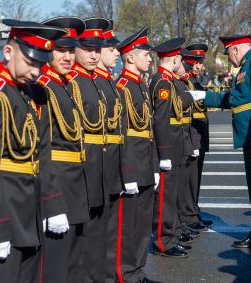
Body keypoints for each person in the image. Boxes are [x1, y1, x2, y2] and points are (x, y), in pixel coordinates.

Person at [0, 19, 66, 282]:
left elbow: (42, 154)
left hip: (31, 210)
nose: (36, 71)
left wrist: (53, 205)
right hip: (5, 214)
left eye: (40, 64)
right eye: (30, 62)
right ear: (9, 52)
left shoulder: (35, 94)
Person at [191, 34, 251, 257]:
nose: (230, 60)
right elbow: (237, 98)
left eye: (229, 54)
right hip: (250, 136)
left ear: (235, 49)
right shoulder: (246, 67)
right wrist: (203, 96)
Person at [27, 16, 87, 283]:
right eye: (60, 50)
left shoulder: (67, 86)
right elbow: (42, 149)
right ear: (47, 51)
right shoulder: (42, 89)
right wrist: (52, 203)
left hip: (75, 183)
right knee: (55, 266)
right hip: (58, 185)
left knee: (74, 261)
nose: (67, 57)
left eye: (71, 50)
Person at [65, 17, 111, 282]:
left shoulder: (92, 81)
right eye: (87, 49)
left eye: (98, 49)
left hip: (99, 166)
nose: (94, 55)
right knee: (80, 241)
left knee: (97, 235)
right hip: (80, 169)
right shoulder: (72, 81)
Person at [115, 26, 160, 283]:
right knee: (128, 225)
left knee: (143, 224)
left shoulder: (141, 87)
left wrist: (153, 167)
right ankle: (126, 273)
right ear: (130, 57)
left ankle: (137, 270)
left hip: (145, 162)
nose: (149, 59)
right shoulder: (121, 86)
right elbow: (122, 135)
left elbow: (149, 131)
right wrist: (128, 172)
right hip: (132, 163)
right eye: (145, 54)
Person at [150, 37, 196, 258]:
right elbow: (161, 120)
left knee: (174, 194)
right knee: (165, 198)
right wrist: (165, 152)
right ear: (175, 58)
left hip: (178, 142)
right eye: (180, 59)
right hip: (169, 144)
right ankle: (163, 240)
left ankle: (174, 234)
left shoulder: (170, 81)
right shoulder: (161, 82)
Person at [92, 19, 125, 282]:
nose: (117, 53)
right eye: (112, 48)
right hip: (93, 171)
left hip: (111, 167)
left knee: (110, 231)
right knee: (95, 237)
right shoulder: (88, 83)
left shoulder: (107, 83)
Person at [183, 43, 213, 226]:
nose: (198, 65)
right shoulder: (186, 81)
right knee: (190, 177)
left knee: (196, 176)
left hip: (199, 132)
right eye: (195, 61)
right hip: (192, 132)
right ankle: (189, 215)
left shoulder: (196, 81)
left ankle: (194, 210)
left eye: (200, 62)